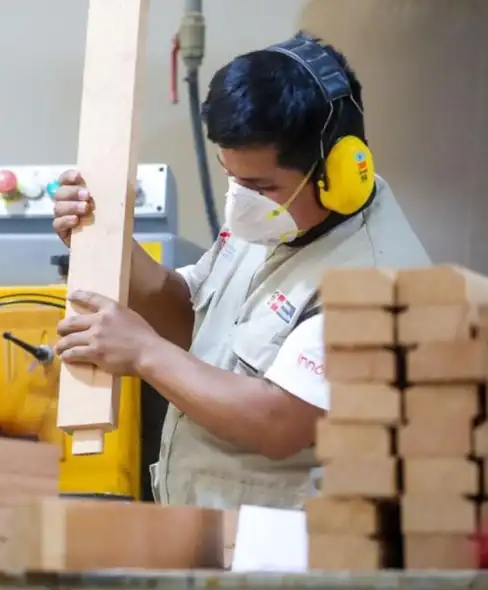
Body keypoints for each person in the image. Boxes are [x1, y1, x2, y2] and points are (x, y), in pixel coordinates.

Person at [50, 33, 429, 509]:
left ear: (337, 175)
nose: (240, 201)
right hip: (215, 527)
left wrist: (144, 352)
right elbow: (193, 321)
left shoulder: (377, 281)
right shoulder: (277, 219)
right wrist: (107, 243)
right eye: (230, 176)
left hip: (297, 543)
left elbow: (279, 422)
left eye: (260, 185)